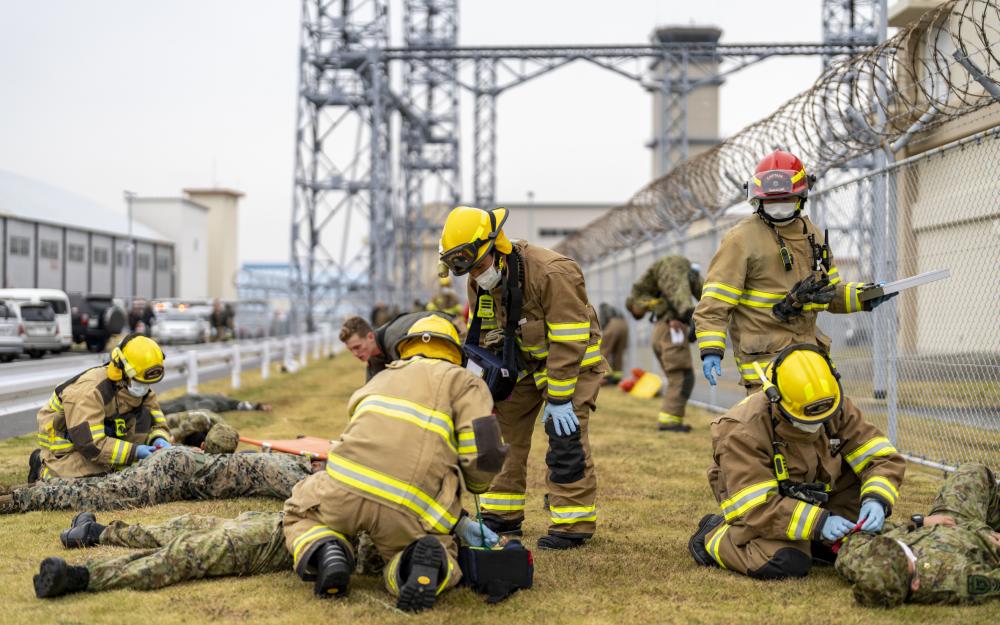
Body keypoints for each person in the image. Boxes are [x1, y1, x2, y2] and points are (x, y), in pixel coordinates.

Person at [283, 315, 506, 611]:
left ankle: (327, 549)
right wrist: (477, 488)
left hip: (344, 488)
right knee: (436, 551)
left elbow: (356, 426)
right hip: (410, 509)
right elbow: (483, 451)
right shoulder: (465, 382)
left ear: (407, 347)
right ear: (454, 351)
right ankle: (411, 566)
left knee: (299, 514)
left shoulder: (382, 376)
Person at [439, 205, 603, 550]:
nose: (476, 274)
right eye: (468, 270)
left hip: (571, 364)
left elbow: (570, 338)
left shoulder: (552, 272)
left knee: (565, 437)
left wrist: (559, 399)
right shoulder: (479, 281)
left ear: (495, 246)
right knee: (500, 432)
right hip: (522, 364)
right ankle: (503, 513)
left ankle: (573, 524)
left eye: (479, 265)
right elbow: (484, 333)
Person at [688, 344, 905, 580]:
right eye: (804, 420)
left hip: (817, 491)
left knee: (859, 541)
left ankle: (816, 541)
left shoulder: (832, 403)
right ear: (776, 400)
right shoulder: (742, 430)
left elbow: (880, 456)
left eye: (824, 419)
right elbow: (757, 506)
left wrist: (875, 499)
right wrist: (819, 523)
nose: (816, 425)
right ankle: (715, 537)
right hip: (766, 506)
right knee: (786, 561)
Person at [692, 150, 895, 391]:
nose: (779, 206)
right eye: (772, 201)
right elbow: (715, 303)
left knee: (822, 425)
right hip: (764, 368)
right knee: (770, 427)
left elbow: (830, 294)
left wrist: (863, 296)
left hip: (810, 359)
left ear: (800, 197)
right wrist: (711, 350)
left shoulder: (814, 235)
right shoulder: (741, 239)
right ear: (757, 200)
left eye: (786, 200)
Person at [32, 510, 385, 599]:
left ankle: (82, 577)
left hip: (273, 539)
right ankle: (96, 532)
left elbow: (370, 557)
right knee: (182, 525)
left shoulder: (389, 538)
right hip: (278, 518)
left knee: (183, 555)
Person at [836, 463, 1000, 607]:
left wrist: (918, 523)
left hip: (944, 517)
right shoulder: (952, 581)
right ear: (915, 583)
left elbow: (856, 539)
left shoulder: (867, 565)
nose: (902, 547)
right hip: (980, 535)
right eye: (902, 556)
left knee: (973, 471)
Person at [1, 445, 312, 514]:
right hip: (180, 473)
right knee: (103, 496)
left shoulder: (289, 463)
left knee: (100, 488)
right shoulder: (294, 473)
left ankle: (19, 493)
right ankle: (15, 500)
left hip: (179, 465)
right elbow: (309, 497)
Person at [35, 334, 171, 480]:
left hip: (101, 439)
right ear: (122, 371)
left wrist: (158, 439)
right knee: (97, 478)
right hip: (68, 445)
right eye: (139, 382)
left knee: (125, 471)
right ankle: (41, 468)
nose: (144, 388)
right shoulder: (89, 391)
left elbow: (158, 424)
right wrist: (134, 452)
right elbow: (91, 444)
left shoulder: (137, 388)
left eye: (147, 383)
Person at [625, 256, 703, 432]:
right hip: (670, 330)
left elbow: (691, 289)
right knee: (682, 376)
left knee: (678, 376)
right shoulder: (672, 271)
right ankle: (670, 421)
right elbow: (680, 290)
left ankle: (670, 418)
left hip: (661, 331)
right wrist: (689, 315)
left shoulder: (658, 286)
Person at [339, 311, 451, 381]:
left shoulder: (395, 340)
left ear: (370, 337)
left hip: (452, 330)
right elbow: (371, 390)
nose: (355, 354)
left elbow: (410, 380)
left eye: (357, 347)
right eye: (350, 350)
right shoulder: (373, 356)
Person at [164, 409, 240, 453]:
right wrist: (173, 437)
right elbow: (181, 430)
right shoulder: (197, 421)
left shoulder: (223, 430)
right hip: (177, 423)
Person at [158, 392, 271, 415]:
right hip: (192, 400)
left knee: (168, 408)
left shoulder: (229, 402)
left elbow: (241, 405)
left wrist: (259, 406)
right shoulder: (217, 399)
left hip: (192, 401)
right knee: (167, 407)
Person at [597, 303, 628, 385]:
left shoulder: (604, 310)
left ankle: (604, 376)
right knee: (619, 353)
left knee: (604, 351)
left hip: (613, 325)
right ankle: (617, 378)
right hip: (624, 324)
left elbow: (603, 323)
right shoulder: (614, 309)